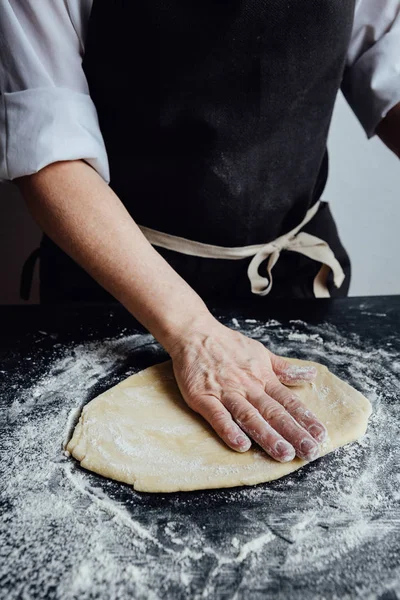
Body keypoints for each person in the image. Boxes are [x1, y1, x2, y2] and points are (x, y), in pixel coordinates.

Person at [1, 1, 399, 464]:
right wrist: (193, 332)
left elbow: (386, 56)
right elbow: (50, 158)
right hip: (118, 290)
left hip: (293, 275)